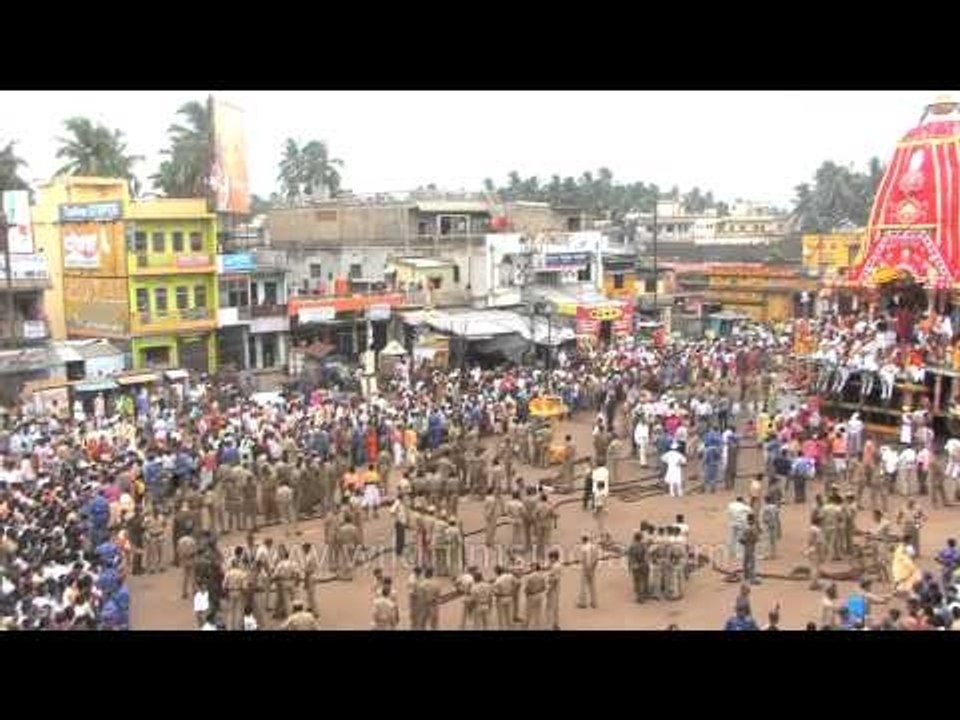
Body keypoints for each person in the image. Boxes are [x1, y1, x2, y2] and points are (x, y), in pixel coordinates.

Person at [576, 534, 600, 609]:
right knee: (592, 586)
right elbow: (596, 559)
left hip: (586, 568)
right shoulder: (594, 547)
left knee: (583, 586)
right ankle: (594, 602)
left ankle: (583, 602)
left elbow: (583, 559)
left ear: (583, 540)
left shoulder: (583, 548)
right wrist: (593, 567)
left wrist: (586, 567)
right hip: (592, 568)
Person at [627, 531, 649, 603]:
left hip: (635, 565)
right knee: (643, 581)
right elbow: (646, 557)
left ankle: (639, 597)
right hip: (643, 565)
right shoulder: (644, 546)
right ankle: (644, 596)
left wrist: (629, 567)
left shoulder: (631, 546)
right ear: (640, 538)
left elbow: (630, 558)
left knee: (637, 582)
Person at [740, 515, 761, 585]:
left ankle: (746, 576)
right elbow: (757, 538)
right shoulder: (753, 528)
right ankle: (752, 578)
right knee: (752, 563)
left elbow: (741, 539)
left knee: (745, 562)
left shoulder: (745, 527)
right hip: (751, 547)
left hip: (746, 547)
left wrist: (746, 541)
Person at [545, 549, 562, 630]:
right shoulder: (555, 564)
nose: (550, 559)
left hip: (553, 589)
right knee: (553, 606)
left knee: (552, 607)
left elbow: (554, 579)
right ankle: (554, 623)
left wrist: (548, 589)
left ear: (554, 557)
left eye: (551, 557)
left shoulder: (556, 566)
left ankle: (553, 624)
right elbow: (547, 567)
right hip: (554, 588)